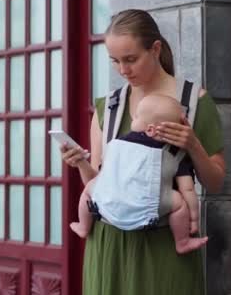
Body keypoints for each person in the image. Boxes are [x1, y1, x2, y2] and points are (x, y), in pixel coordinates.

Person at [61, 9, 225, 294]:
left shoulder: (194, 102)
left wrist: (192, 145)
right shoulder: (108, 108)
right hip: (108, 248)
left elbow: (216, 182)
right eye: (115, 61)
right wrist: (80, 164)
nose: (123, 70)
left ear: (156, 49)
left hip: (164, 251)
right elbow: (97, 184)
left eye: (131, 59)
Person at [69, 94, 208, 254]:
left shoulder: (116, 144)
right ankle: (182, 241)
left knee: (88, 191)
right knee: (179, 203)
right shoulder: (175, 153)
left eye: (135, 117)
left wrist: (81, 162)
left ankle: (83, 226)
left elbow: (104, 176)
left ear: (150, 129)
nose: (133, 119)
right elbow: (188, 190)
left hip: (109, 206)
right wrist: (194, 219)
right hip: (146, 210)